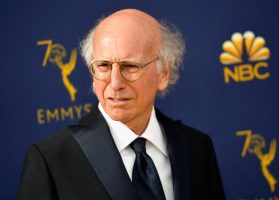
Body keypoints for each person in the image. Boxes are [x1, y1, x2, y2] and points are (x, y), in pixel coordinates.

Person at [17, 9, 225, 200]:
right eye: (104, 66)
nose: (115, 83)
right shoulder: (50, 160)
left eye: (130, 66)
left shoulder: (197, 147)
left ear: (164, 73)